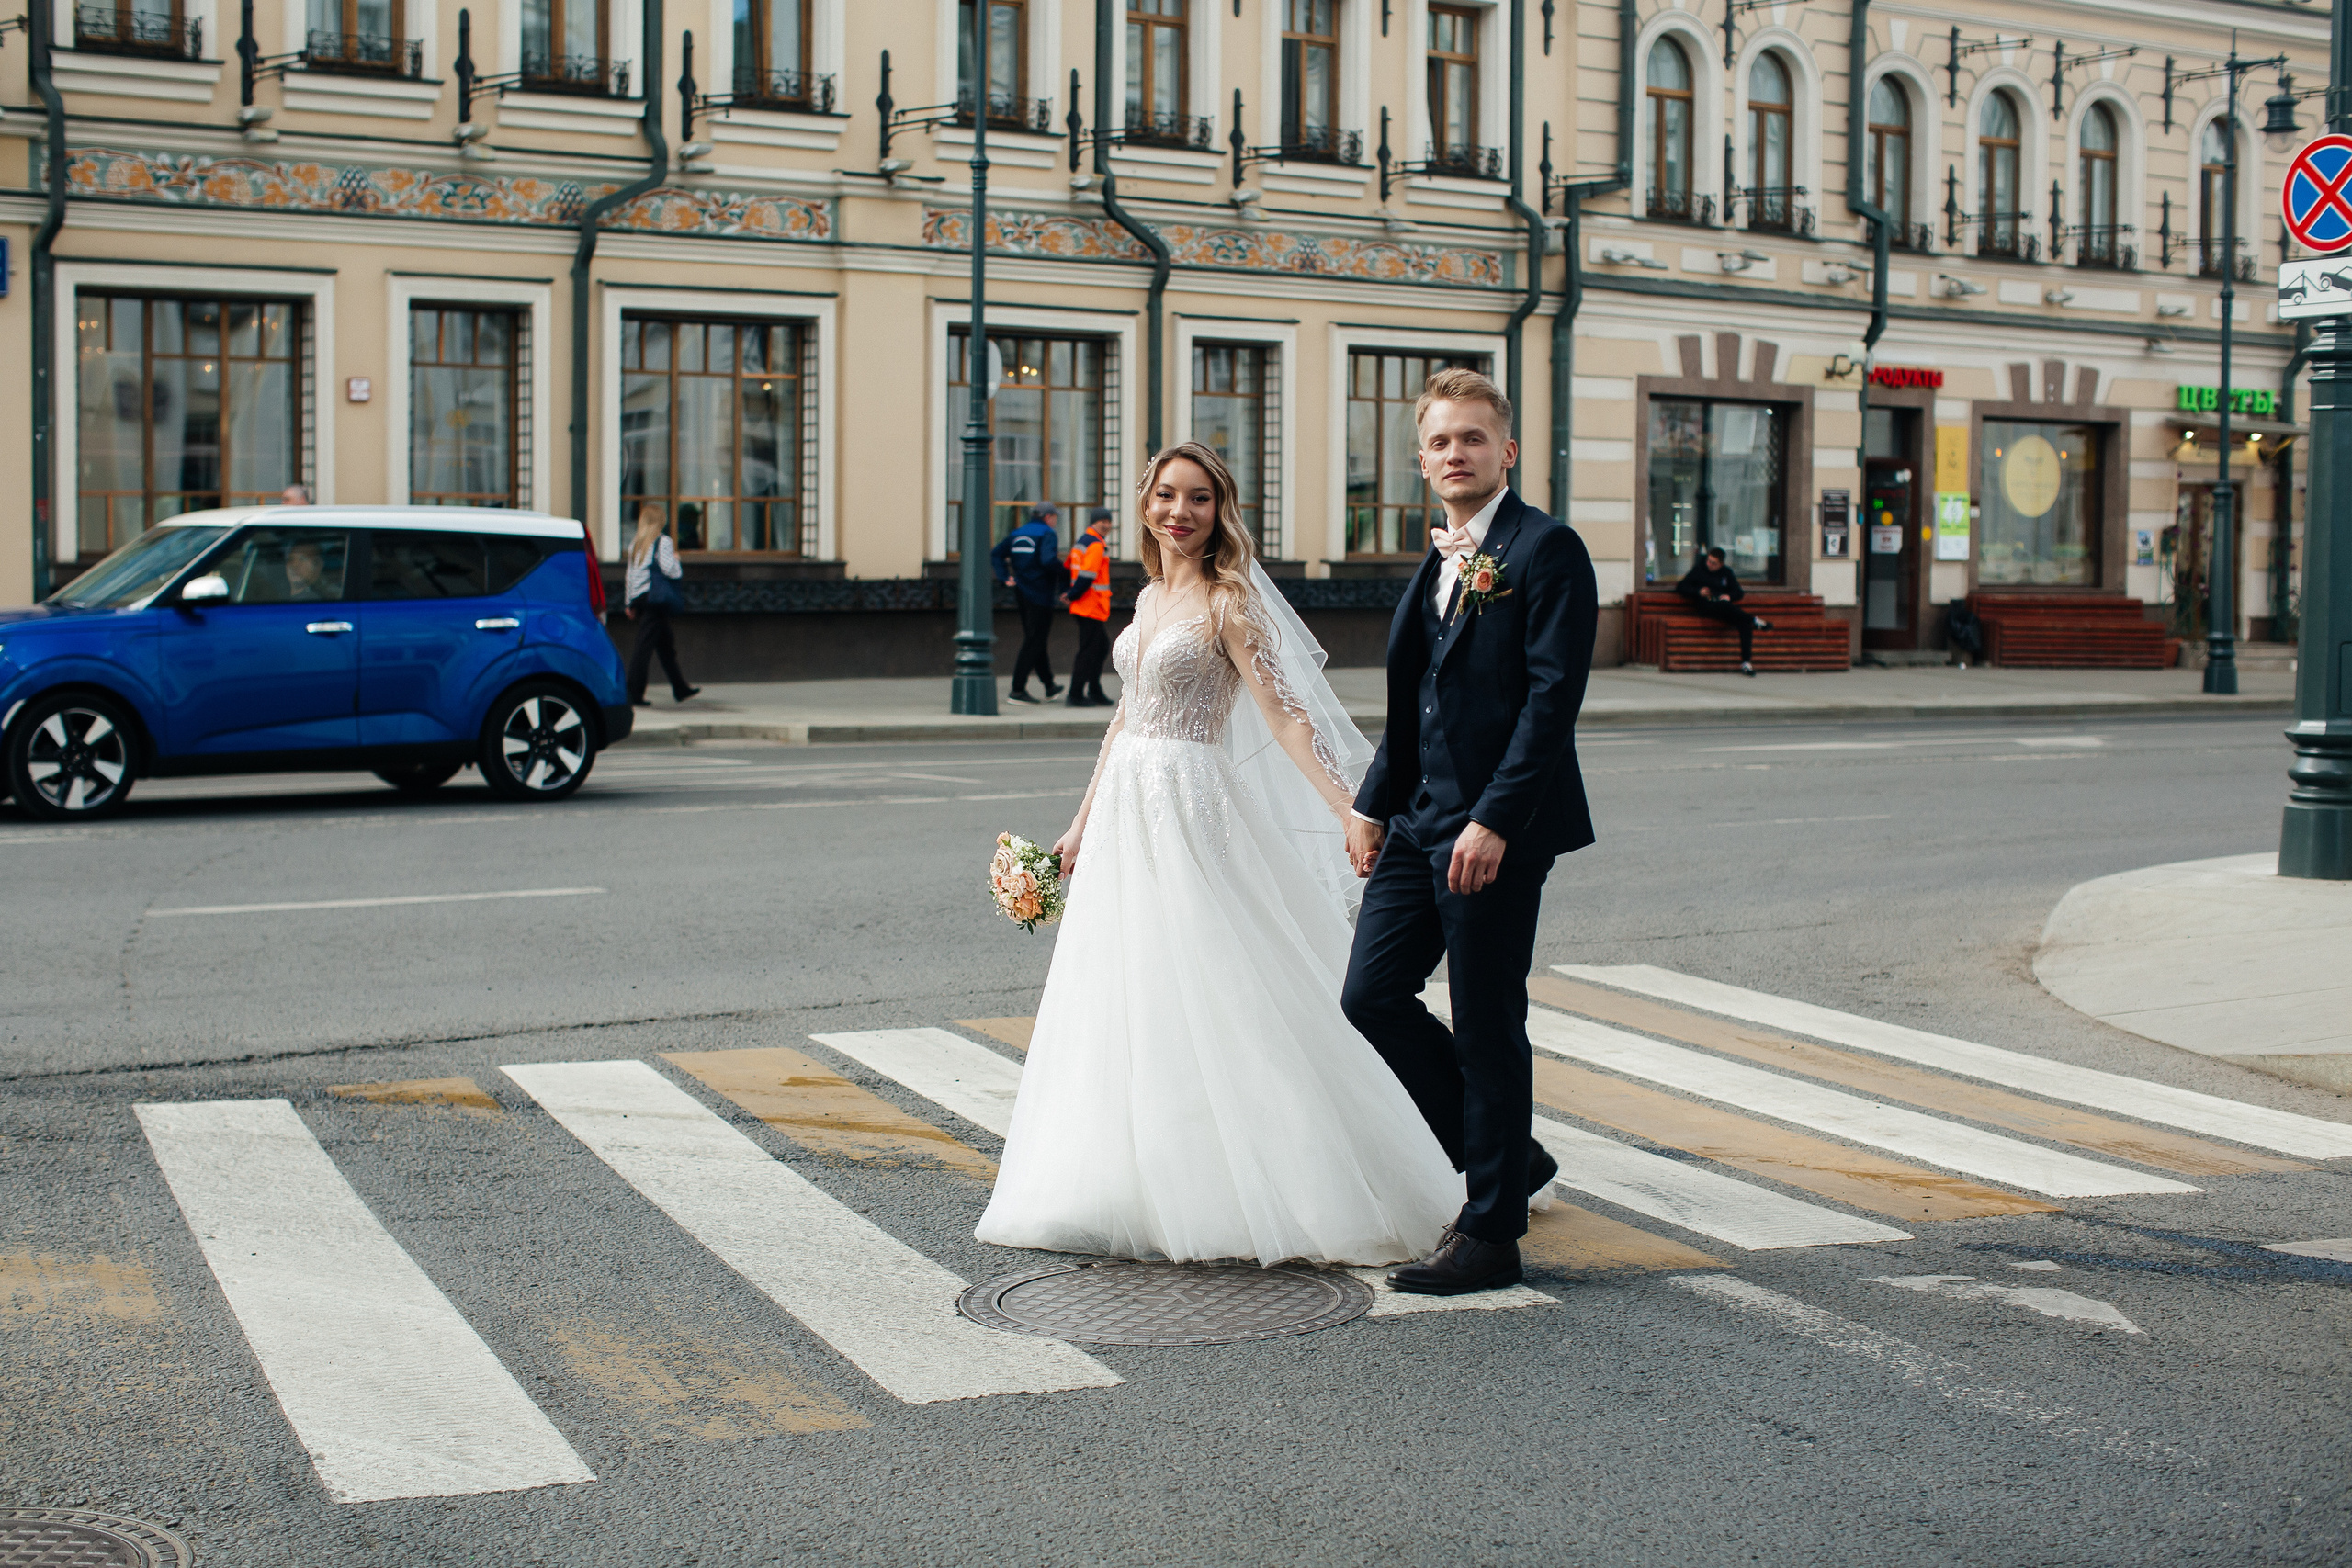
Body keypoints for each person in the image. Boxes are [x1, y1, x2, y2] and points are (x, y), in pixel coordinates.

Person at [976, 442, 1464, 1267]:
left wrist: (1351, 808)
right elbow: (1125, 718)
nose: (1181, 511)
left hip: (1192, 806)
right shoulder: (1147, 596)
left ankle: (1273, 1180)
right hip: (1126, 811)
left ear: (1219, 510)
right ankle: (1124, 1179)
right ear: (1146, 504)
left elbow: (1284, 716)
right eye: (1167, 495)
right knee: (1126, 986)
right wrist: (1080, 823)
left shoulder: (1228, 602)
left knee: (1222, 977)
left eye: (1199, 498)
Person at [1340, 367, 1599, 1296]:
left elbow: (1550, 703)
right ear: (1422, 459)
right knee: (1370, 994)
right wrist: (1371, 804)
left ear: (1506, 450)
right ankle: (1508, 1158)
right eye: (1441, 441)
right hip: (1418, 823)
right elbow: (1415, 703)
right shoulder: (1440, 560)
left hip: (1494, 832)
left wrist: (1493, 819)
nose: (1457, 453)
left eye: (1473, 438)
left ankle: (1491, 1233)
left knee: (1488, 1024)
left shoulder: (1546, 548)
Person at [623, 503, 701, 706]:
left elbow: (630, 575)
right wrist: (677, 560)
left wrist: (629, 602)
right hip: (655, 600)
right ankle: (633, 693)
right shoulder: (663, 542)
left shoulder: (635, 544)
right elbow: (671, 571)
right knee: (643, 647)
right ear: (660, 521)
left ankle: (680, 688)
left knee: (665, 645)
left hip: (640, 598)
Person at [990, 505, 1063, 704]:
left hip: (1022, 593)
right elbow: (1048, 561)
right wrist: (1065, 571)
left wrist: (1005, 576)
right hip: (1041, 593)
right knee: (1034, 640)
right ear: (1048, 517)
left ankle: (1049, 686)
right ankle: (1017, 689)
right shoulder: (1047, 533)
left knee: (1035, 638)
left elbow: (996, 553)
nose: (1055, 521)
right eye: (1055, 517)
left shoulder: (1017, 533)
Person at [1675, 546, 1772, 676]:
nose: (1709, 564)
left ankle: (1746, 662)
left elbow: (1738, 592)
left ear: (1720, 564)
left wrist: (1729, 596)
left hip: (1725, 608)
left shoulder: (1726, 572)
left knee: (1744, 623)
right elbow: (1681, 587)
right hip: (1706, 606)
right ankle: (1755, 620)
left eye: (1713, 563)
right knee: (1726, 607)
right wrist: (1698, 591)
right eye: (1709, 561)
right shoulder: (1699, 570)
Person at [1061, 508, 1114, 707]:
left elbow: (1066, 568)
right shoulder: (1096, 544)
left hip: (1085, 604)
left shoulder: (1082, 542)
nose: (1107, 525)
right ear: (1094, 522)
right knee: (1090, 650)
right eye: (1103, 521)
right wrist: (1071, 594)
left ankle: (1094, 690)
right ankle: (1076, 694)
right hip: (1090, 604)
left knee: (1099, 647)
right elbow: (1087, 575)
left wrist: (1068, 592)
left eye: (1108, 521)